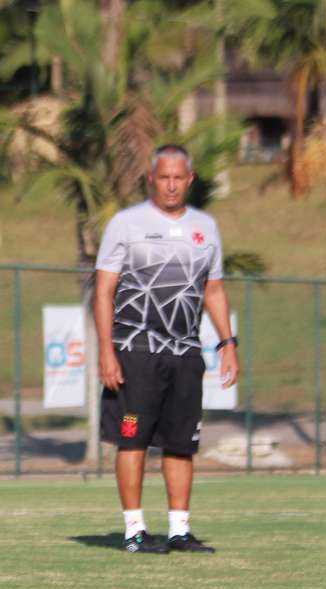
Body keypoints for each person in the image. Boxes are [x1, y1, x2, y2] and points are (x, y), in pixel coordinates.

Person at [93, 144, 240, 554]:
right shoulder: (126, 224)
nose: (171, 185)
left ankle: (179, 529)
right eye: (164, 178)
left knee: (181, 442)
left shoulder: (205, 228)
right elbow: (104, 291)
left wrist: (228, 343)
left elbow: (214, 289)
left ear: (190, 180)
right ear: (151, 179)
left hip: (186, 351)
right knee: (133, 439)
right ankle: (135, 530)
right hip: (134, 350)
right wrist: (106, 350)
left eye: (179, 178)